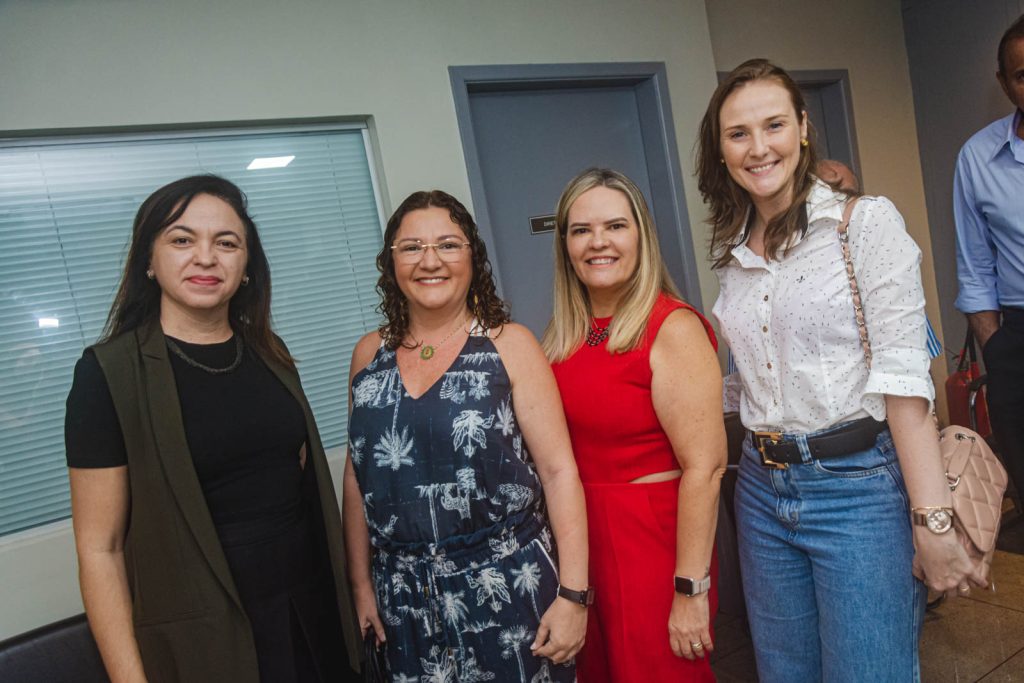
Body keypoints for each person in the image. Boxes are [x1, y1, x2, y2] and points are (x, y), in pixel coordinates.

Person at [696, 58, 985, 682]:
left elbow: (905, 383)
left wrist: (931, 521)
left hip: (857, 491)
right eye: (737, 134)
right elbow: (753, 378)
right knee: (785, 674)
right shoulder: (733, 251)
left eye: (773, 125)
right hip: (761, 492)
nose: (758, 147)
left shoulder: (865, 223)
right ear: (720, 151)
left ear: (803, 128)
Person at [64, 175, 359, 682]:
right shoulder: (108, 375)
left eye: (226, 243)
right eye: (182, 240)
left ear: (246, 268)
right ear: (149, 262)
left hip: (311, 617)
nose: (206, 257)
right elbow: (101, 549)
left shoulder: (271, 355)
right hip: (205, 641)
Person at [343, 190, 588, 682]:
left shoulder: (510, 345)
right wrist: (360, 584)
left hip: (509, 590)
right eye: (411, 247)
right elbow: (357, 475)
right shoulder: (368, 355)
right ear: (391, 262)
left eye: (448, 245)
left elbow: (560, 473)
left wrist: (574, 596)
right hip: (403, 603)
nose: (429, 261)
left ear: (472, 257)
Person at [544, 167, 726, 682]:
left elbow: (707, 468)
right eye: (581, 231)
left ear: (641, 236)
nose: (598, 242)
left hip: (649, 543)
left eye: (615, 226)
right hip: (583, 545)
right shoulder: (563, 336)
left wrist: (690, 589)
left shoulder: (673, 327)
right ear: (565, 246)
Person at [954, 14, 1024, 503]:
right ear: (1004, 83)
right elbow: (974, 264)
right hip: (1016, 340)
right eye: (1022, 74)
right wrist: (994, 345)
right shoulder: (977, 157)